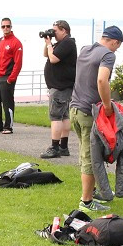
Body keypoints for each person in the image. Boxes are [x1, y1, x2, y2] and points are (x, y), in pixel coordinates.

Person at [71, 25, 123, 214]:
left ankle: (92, 192)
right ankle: (86, 201)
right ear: (115, 41)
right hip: (89, 112)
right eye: (118, 45)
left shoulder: (86, 49)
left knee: (85, 152)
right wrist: (108, 106)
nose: (117, 49)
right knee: (91, 157)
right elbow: (102, 80)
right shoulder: (108, 55)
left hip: (75, 109)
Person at [41, 20, 78, 158]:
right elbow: (46, 54)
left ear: (64, 30)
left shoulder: (68, 43)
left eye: (55, 31)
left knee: (56, 116)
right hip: (61, 85)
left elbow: (53, 59)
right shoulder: (62, 43)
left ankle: (55, 147)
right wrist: (47, 42)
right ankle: (63, 147)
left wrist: (50, 45)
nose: (53, 33)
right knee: (64, 116)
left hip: (60, 86)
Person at [0, 17, 23, 134]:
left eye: (8, 26)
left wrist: (11, 79)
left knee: (7, 102)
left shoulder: (16, 42)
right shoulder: (0, 40)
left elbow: (18, 64)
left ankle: (8, 126)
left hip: (8, 77)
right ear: (1, 27)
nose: (5, 28)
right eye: (3, 26)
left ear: (11, 27)